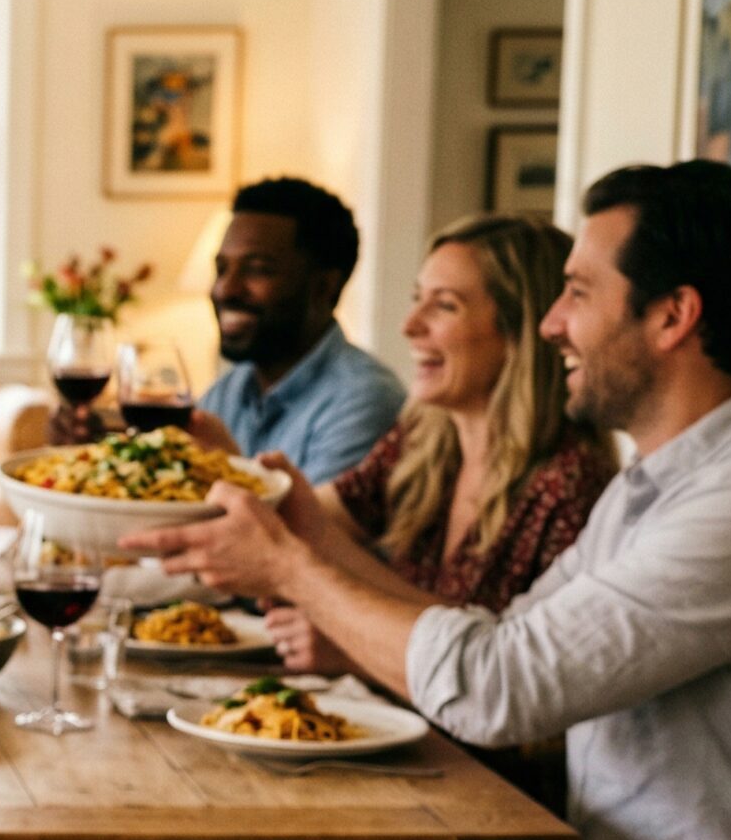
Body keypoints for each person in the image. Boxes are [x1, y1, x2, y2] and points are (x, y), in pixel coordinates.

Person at [127, 161, 731, 840]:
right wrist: (312, 544)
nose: (552, 323)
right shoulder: (659, 485)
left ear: (672, 316)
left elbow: (496, 689)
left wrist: (291, 567)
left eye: (580, 293)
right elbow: (503, 637)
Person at [260, 214, 615, 673]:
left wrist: (357, 651)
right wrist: (216, 467)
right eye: (416, 300)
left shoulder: (569, 485)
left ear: (519, 332)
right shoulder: (421, 441)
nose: (410, 325)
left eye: (444, 306)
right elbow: (301, 523)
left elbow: (524, 692)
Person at [192, 178, 408, 483]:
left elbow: (310, 529)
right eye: (222, 269)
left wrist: (231, 470)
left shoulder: (365, 400)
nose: (225, 289)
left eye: (257, 270)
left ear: (323, 287)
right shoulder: (227, 391)